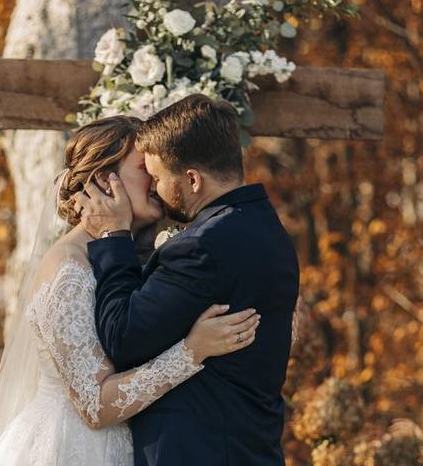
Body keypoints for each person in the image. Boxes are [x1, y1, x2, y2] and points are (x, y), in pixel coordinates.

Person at [0, 115, 261, 466]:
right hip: (66, 449)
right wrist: (192, 351)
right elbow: (94, 405)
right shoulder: (67, 268)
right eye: (144, 169)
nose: (156, 182)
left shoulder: (139, 258)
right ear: (106, 181)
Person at [76, 94, 300, 466]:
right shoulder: (268, 229)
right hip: (252, 448)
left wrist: (114, 237)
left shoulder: (202, 247)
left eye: (160, 178)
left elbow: (122, 337)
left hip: (199, 452)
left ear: (192, 179)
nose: (157, 190)